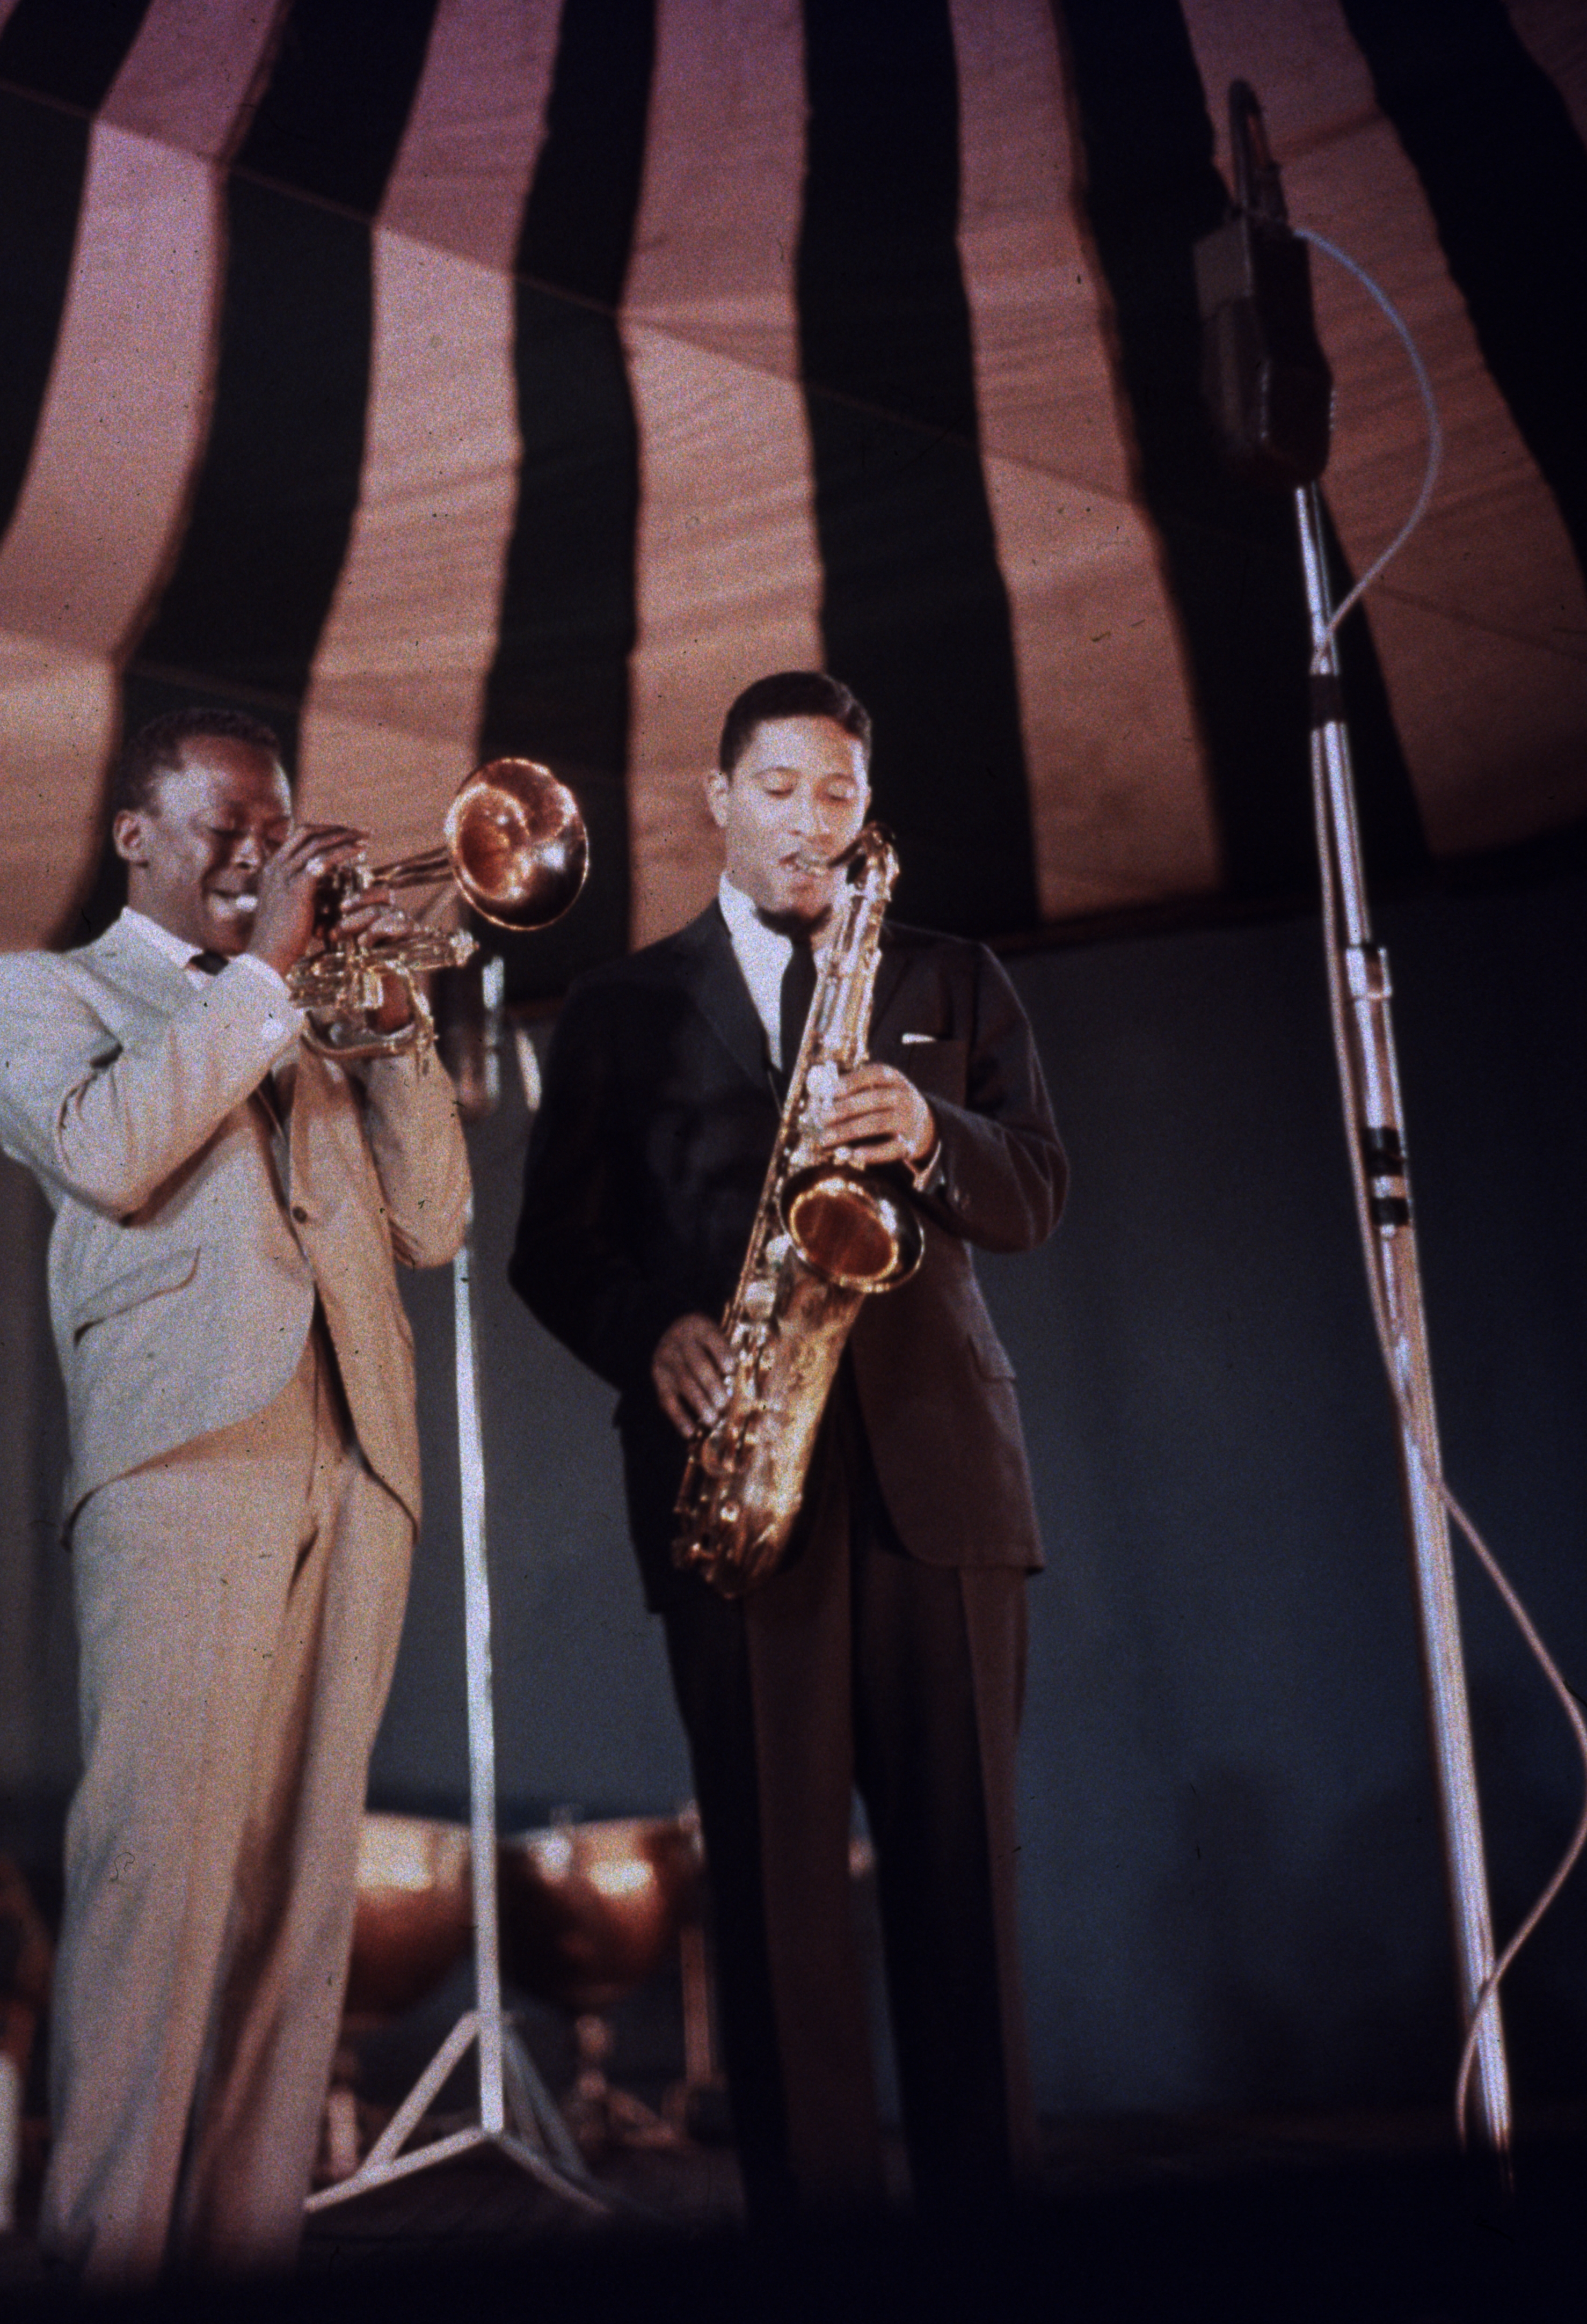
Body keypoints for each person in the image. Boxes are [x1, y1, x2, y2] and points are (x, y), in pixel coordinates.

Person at [508, 671, 1065, 2228]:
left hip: (938, 1490)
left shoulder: (948, 976)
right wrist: (653, 1333)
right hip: (741, 1487)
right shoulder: (619, 1006)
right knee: (775, 1911)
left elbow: (1035, 1193)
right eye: (778, 786)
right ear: (715, 795)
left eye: (836, 794)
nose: (809, 821)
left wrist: (933, 1132)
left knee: (966, 1898)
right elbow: (550, 1250)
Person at [0, 707, 470, 2279]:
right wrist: (263, 973)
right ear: (136, 835)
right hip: (186, 1458)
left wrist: (385, 1025)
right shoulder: (38, 991)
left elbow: (435, 1220)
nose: (262, 849)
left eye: (280, 826)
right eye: (228, 825)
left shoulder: (307, 1005)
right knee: (155, 1881)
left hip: (356, 1450)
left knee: (301, 1901)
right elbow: (108, 1150)